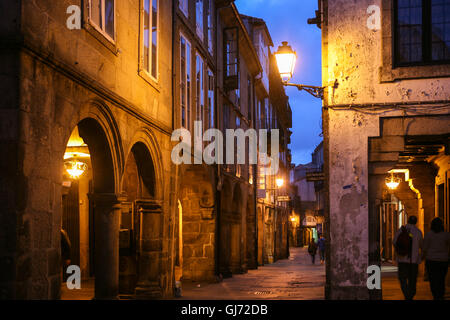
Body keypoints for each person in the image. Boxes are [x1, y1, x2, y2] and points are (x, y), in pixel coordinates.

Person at [393, 215, 423, 300]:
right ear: (416, 222)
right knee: (412, 280)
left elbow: (394, 242)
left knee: (402, 279)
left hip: (402, 259)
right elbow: (422, 245)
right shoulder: (418, 232)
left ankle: (406, 294)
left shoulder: (401, 230)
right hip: (413, 261)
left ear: (408, 221)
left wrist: (400, 250)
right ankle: (410, 294)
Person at [422, 217, 450, 300]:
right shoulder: (446, 234)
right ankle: (440, 294)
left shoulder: (428, 235)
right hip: (443, 260)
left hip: (431, 260)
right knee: (441, 278)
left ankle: (435, 294)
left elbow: (425, 247)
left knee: (432, 279)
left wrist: (422, 257)